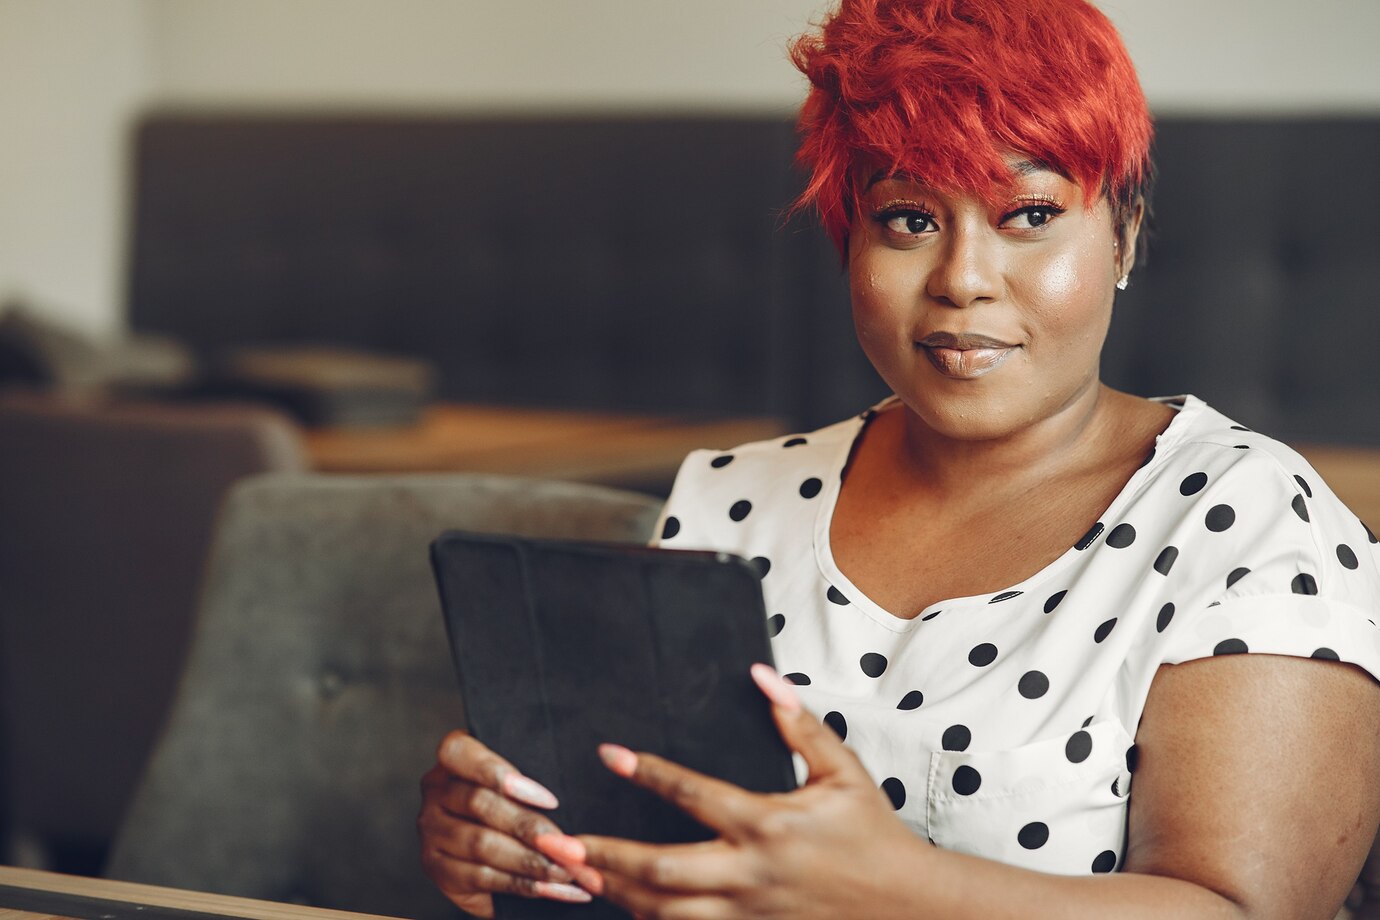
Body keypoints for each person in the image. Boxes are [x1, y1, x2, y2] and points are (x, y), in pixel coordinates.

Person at [417, 0, 1380, 916]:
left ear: (1122, 232)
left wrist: (900, 897)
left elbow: (1245, 911)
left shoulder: (1250, 521)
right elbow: (659, 862)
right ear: (851, 241)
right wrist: (513, 852)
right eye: (910, 219)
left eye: (1031, 215)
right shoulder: (730, 500)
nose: (963, 279)